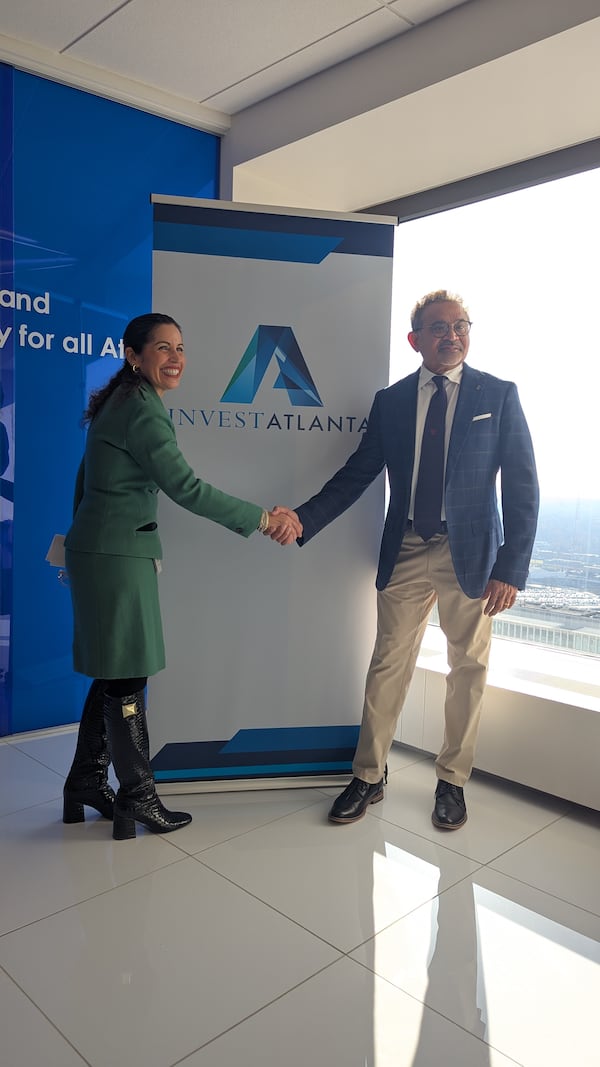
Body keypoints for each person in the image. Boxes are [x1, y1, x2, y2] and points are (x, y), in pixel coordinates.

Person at [274, 290, 539, 829]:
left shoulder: (499, 394)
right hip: (408, 546)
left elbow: (523, 484)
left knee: (467, 667)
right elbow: (357, 473)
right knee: (388, 662)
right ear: (416, 340)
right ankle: (369, 775)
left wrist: (511, 566)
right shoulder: (392, 401)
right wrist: (304, 516)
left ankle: (453, 781)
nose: (451, 334)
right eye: (438, 327)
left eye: (460, 325)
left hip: (472, 554)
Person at [63, 312, 300, 841]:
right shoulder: (141, 411)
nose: (175, 358)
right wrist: (262, 519)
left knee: (113, 671)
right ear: (133, 355)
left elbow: (84, 485)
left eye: (181, 348)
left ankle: (84, 783)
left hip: (104, 551)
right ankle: (137, 797)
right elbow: (185, 487)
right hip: (116, 557)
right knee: (127, 675)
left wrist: (89, 544)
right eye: (162, 348)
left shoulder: (121, 403)